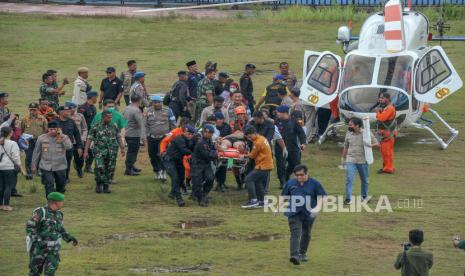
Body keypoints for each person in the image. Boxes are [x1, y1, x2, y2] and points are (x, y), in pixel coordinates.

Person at [281, 164, 327, 265]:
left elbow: (322, 196)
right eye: (297, 175)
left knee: (306, 233)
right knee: (295, 233)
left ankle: (302, 253)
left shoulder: (315, 183)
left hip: (309, 213)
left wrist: (318, 207)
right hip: (294, 212)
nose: (299, 177)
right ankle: (294, 255)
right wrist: (278, 207)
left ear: (307, 174)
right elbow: (284, 196)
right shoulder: (291, 183)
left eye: (301, 175)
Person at [26, 192, 78, 276]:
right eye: (61, 201)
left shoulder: (59, 214)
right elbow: (30, 227)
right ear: (55, 202)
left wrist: (69, 237)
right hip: (39, 249)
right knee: (34, 272)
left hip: (53, 250)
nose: (62, 203)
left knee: (50, 272)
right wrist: (38, 240)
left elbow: (60, 228)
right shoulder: (41, 212)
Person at [85, 110, 125, 193]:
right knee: (100, 167)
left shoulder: (114, 126)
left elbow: (118, 137)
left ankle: (106, 185)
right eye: (108, 117)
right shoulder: (96, 126)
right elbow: (89, 138)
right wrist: (86, 151)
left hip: (112, 151)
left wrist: (122, 148)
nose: (110, 119)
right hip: (99, 151)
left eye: (111, 117)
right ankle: (99, 183)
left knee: (110, 168)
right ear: (103, 117)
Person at [342, 117, 379, 205]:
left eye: (351, 125)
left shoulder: (366, 133)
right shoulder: (348, 133)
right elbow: (346, 146)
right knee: (349, 179)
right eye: (349, 124)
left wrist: (370, 145)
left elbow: (377, 144)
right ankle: (348, 198)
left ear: (357, 125)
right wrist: (343, 158)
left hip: (363, 160)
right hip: (351, 159)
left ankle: (364, 196)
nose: (349, 126)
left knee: (365, 180)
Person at [31, 120, 73, 197]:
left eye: (55, 129)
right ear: (48, 129)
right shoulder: (41, 138)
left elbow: (69, 147)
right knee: (49, 184)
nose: (53, 131)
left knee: (61, 184)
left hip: (60, 165)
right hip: (46, 166)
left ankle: (58, 199)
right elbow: (36, 152)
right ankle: (50, 201)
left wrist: (62, 136)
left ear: (58, 129)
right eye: (51, 129)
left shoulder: (64, 137)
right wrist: (34, 165)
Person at [163, 125, 195, 207]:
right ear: (184, 132)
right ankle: (179, 198)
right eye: (189, 133)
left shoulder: (189, 140)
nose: (190, 135)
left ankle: (172, 193)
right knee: (175, 178)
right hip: (169, 160)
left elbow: (192, 147)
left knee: (181, 178)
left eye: (192, 134)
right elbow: (184, 150)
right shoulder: (179, 139)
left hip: (178, 161)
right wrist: (194, 154)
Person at [241, 125, 273, 208]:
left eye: (250, 136)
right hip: (267, 165)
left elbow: (252, 156)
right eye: (248, 137)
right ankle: (263, 201)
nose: (250, 138)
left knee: (248, 179)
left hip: (263, 166)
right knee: (257, 182)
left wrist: (244, 155)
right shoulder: (262, 138)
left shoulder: (258, 142)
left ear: (254, 133)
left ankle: (253, 200)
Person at [275, 105, 306, 188]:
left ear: (284, 113)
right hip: (280, 148)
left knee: (294, 164)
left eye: (278, 112)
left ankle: (287, 174)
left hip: (292, 147)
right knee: (280, 165)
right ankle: (283, 182)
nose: (277, 113)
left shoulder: (294, 122)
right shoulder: (276, 122)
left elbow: (301, 133)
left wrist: (303, 143)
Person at [145, 95, 176, 180]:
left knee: (163, 155)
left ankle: (163, 171)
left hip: (164, 138)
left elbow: (173, 124)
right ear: (153, 103)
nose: (158, 104)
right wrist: (146, 135)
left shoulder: (168, 110)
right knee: (153, 156)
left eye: (159, 102)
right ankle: (156, 171)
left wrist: (172, 136)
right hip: (152, 138)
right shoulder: (148, 111)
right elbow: (145, 124)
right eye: (156, 102)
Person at [191, 124, 217, 207]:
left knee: (210, 178)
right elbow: (207, 154)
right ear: (205, 132)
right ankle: (200, 199)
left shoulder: (209, 140)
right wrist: (215, 154)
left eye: (212, 133)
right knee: (197, 183)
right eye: (210, 133)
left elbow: (212, 149)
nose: (211, 135)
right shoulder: (201, 142)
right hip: (197, 164)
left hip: (206, 163)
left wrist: (215, 150)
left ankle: (204, 194)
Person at [21, 103, 48, 180]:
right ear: (29, 110)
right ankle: (29, 171)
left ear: (37, 110)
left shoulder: (42, 119)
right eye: (31, 110)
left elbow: (45, 130)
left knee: (39, 155)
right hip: (28, 140)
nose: (32, 112)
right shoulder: (25, 119)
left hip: (39, 140)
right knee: (29, 156)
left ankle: (38, 170)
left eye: (34, 110)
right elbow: (22, 130)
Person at [56, 106, 83, 182]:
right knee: (58, 163)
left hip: (69, 147)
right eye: (67, 111)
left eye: (69, 111)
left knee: (67, 162)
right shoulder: (55, 122)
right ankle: (59, 177)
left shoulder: (71, 122)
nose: (69, 112)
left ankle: (66, 177)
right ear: (61, 112)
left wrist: (79, 146)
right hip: (58, 147)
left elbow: (77, 135)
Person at [123, 94, 146, 176]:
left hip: (127, 132)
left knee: (131, 151)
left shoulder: (127, 108)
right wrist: (144, 137)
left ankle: (131, 166)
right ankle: (128, 169)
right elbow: (140, 123)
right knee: (132, 152)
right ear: (139, 101)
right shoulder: (136, 110)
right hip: (134, 134)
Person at [0, 127, 22, 211]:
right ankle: (6, 204)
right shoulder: (13, 143)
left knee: (1, 186)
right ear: (10, 133)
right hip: (9, 167)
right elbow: (15, 157)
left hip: (0, 167)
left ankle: (0, 204)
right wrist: (19, 166)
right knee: (8, 186)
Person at [376, 92, 397, 174]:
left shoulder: (390, 108)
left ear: (387, 99)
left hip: (388, 134)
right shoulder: (387, 107)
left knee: (387, 152)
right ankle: (387, 167)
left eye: (382, 98)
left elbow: (382, 118)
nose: (380, 99)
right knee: (385, 152)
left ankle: (388, 169)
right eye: (380, 98)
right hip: (386, 133)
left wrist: (378, 112)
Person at [66, 101, 88, 178]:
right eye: (68, 108)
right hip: (67, 142)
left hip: (78, 141)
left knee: (80, 159)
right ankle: (66, 176)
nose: (69, 110)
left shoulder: (80, 116)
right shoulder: (65, 117)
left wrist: (83, 138)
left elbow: (85, 128)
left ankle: (79, 168)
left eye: (71, 108)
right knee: (66, 160)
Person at [78, 91, 98, 173]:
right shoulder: (82, 108)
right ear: (92, 97)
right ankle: (79, 166)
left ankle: (88, 167)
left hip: (91, 132)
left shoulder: (93, 107)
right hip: (84, 133)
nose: (96, 99)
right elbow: (80, 121)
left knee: (91, 150)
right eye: (96, 97)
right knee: (83, 150)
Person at [214, 112, 232, 192]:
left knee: (224, 166)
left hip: (224, 148)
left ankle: (220, 183)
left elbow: (225, 137)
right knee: (216, 167)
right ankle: (219, 183)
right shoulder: (212, 126)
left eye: (219, 119)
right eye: (216, 119)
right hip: (214, 148)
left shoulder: (226, 127)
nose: (218, 121)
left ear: (222, 120)